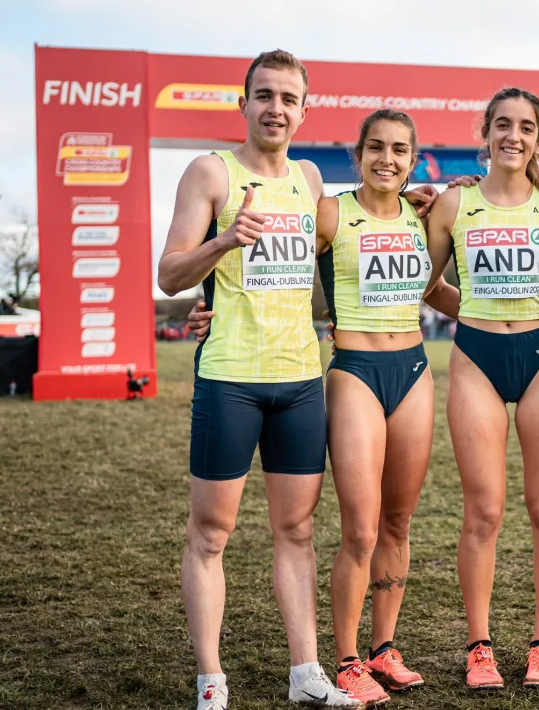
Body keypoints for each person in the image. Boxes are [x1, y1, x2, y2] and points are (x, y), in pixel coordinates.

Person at [157, 49, 364, 710]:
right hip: (231, 378)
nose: (277, 108)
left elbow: (347, 244)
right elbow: (169, 274)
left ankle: (306, 673)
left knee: (297, 531)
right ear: (243, 103)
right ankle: (211, 681)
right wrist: (223, 242)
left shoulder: (308, 178)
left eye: (289, 98)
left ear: (305, 109)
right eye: (265, 95)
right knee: (211, 534)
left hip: (301, 378)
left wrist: (408, 207)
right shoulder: (210, 172)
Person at [422, 87, 539, 691]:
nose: (514, 136)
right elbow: (428, 284)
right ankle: (480, 646)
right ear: (484, 131)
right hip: (476, 358)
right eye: (503, 125)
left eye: (527, 127)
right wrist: (477, 312)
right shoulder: (455, 203)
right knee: (483, 511)